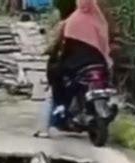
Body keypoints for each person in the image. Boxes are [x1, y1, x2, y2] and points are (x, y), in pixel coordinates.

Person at [34, 0, 112, 138]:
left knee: (53, 90)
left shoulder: (72, 21)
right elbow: (104, 45)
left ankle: (44, 128)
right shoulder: (99, 21)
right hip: (98, 64)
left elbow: (60, 46)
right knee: (108, 85)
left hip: (73, 66)